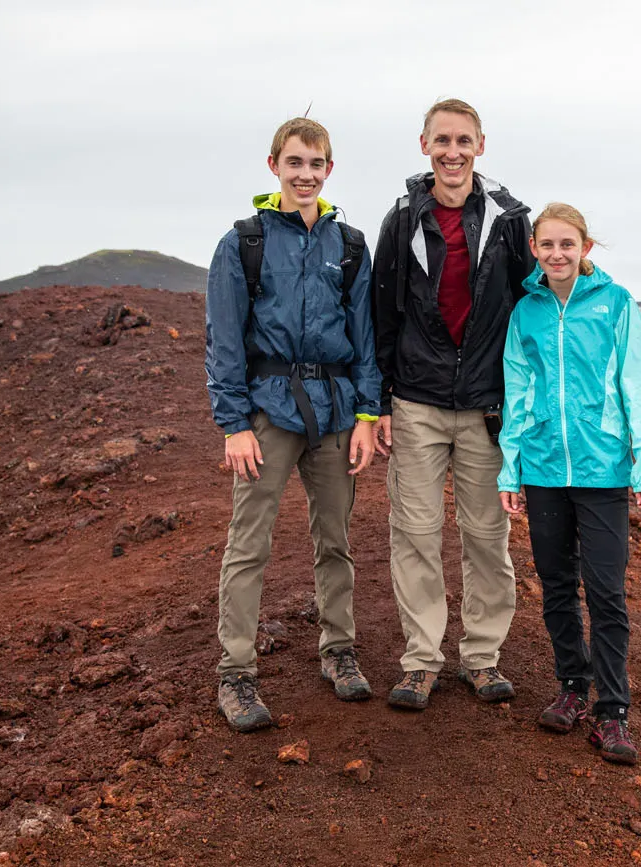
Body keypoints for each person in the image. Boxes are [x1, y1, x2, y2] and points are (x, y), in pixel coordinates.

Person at [205, 117, 381, 733]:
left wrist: (367, 414)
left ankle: (338, 652)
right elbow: (223, 340)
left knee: (335, 540)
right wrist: (234, 424)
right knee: (248, 544)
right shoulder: (243, 243)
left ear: (329, 169)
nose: (305, 175)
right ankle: (237, 674)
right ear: (274, 164)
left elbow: (366, 339)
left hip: (335, 411)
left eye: (316, 165)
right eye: (295, 163)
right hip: (267, 412)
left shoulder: (350, 245)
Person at [371, 98, 535, 710]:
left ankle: (483, 658)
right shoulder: (401, 221)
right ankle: (421, 660)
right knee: (415, 532)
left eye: (463, 141)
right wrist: (378, 400)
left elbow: (529, 309)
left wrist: (525, 400)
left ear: (481, 146)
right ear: (424, 146)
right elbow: (380, 316)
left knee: (487, 535)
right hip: (416, 400)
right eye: (442, 140)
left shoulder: (508, 220)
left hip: (489, 406)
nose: (452, 152)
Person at [497, 203, 641, 765]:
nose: (557, 254)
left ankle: (612, 712)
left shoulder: (614, 304)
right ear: (535, 251)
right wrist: (510, 467)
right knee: (556, 583)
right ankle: (572, 686)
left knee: (607, 590)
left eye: (568, 244)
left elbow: (639, 385)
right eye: (547, 245)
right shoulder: (527, 312)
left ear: (585, 248)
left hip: (602, 471)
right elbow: (517, 392)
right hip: (544, 469)